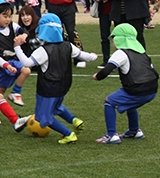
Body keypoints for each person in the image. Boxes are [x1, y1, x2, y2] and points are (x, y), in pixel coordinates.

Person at [13, 13, 97, 144]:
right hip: (64, 85)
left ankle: (68, 134)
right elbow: (83, 55)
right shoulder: (68, 45)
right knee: (57, 107)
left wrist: (17, 47)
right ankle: (74, 120)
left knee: (43, 118)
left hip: (48, 88)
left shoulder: (43, 51)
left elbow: (27, 63)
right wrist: (93, 56)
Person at [92, 23, 158, 144]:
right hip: (152, 90)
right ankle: (134, 131)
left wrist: (97, 76)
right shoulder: (142, 53)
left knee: (109, 101)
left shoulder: (121, 53)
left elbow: (106, 70)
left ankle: (111, 135)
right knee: (130, 104)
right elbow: (155, 73)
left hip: (137, 89)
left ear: (118, 40)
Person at [0, 0, 31, 108]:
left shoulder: (11, 26)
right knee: (26, 71)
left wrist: (24, 35)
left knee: (1, 91)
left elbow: (24, 31)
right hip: (4, 63)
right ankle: (15, 93)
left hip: (12, 61)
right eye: (5, 16)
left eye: (10, 16)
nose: (8, 19)